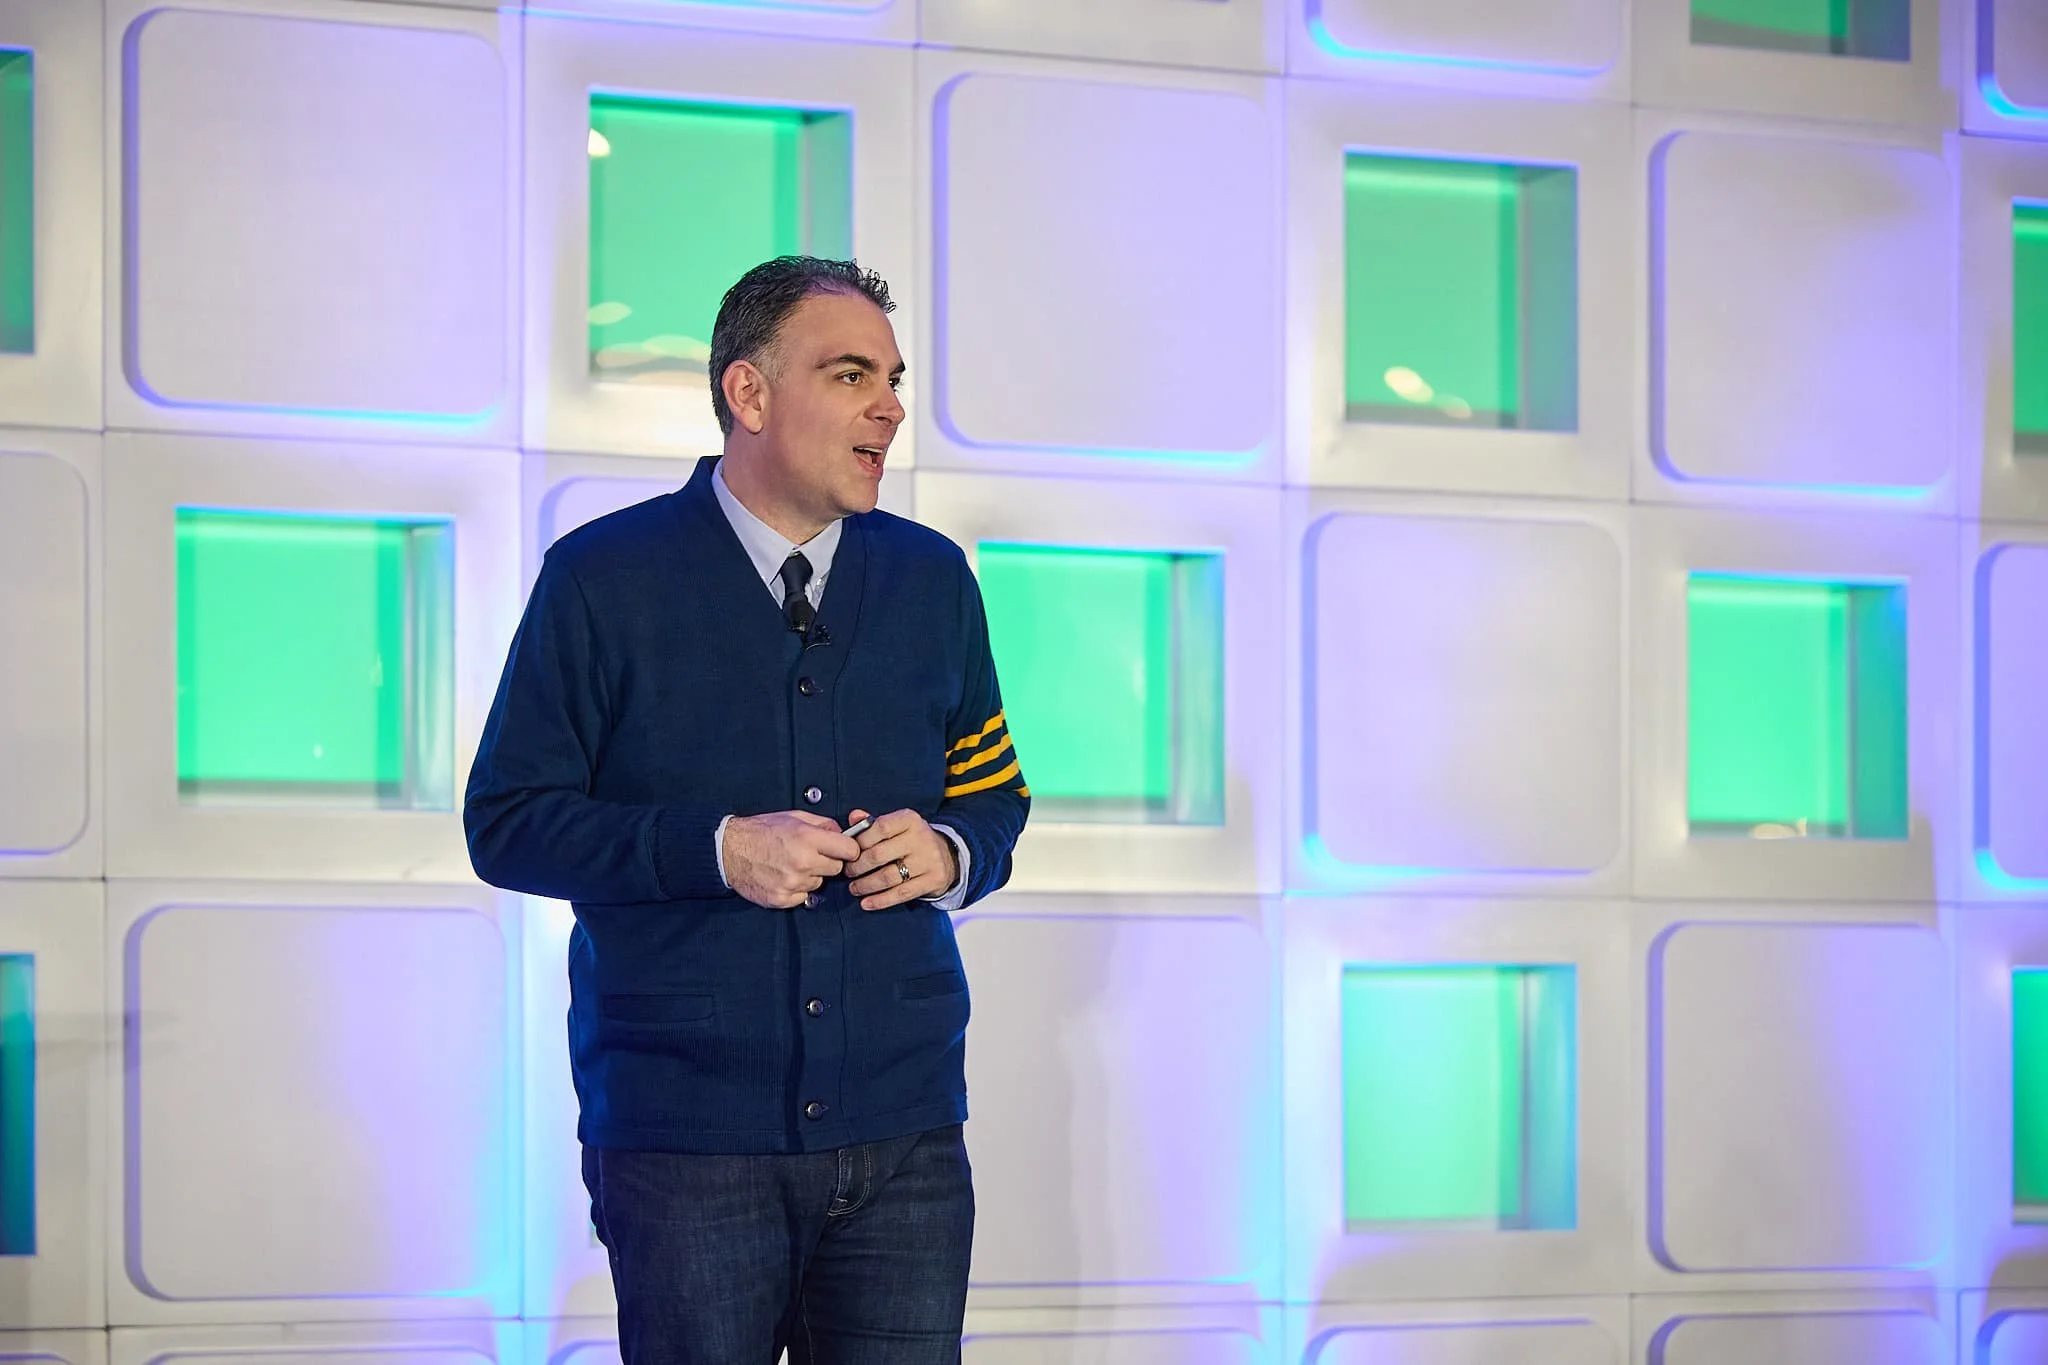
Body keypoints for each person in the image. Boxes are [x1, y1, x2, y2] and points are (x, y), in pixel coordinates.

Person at [464, 256, 1030, 1364]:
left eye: (894, 378)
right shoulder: (601, 580)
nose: (890, 407)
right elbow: (509, 820)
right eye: (852, 374)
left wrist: (952, 852)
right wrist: (714, 849)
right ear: (750, 394)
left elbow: (994, 797)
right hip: (686, 1145)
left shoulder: (932, 582)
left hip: (904, 1136)